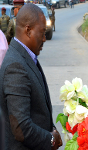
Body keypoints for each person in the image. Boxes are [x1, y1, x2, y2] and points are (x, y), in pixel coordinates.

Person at [0, 3, 62, 150]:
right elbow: (21, 128)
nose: (44, 39)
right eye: (42, 33)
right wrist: (51, 139)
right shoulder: (15, 66)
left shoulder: (26, 57)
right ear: (28, 30)